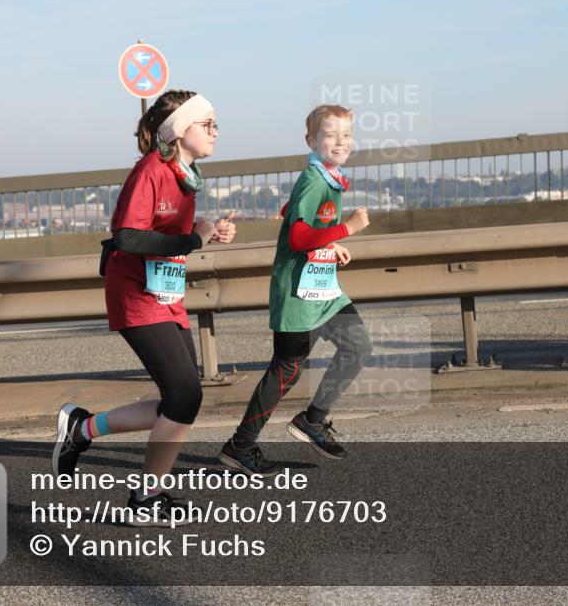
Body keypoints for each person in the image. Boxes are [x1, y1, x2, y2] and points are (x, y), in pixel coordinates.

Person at [52, 90, 236, 525]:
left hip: (165, 293)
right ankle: (145, 497)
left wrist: (203, 228)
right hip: (136, 293)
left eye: (215, 123)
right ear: (179, 130)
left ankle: (82, 429)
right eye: (206, 123)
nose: (215, 131)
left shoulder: (186, 174)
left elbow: (165, 228)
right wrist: (194, 239)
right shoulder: (150, 170)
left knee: (181, 398)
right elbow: (130, 238)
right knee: (186, 396)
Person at [219, 104, 372, 476]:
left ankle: (312, 421)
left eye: (346, 135)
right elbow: (299, 235)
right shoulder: (315, 178)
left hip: (322, 288)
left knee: (358, 345)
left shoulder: (328, 176)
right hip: (297, 294)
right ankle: (241, 445)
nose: (340, 142)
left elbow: (294, 212)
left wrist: (330, 243)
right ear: (312, 140)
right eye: (331, 135)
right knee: (286, 370)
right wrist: (346, 229)